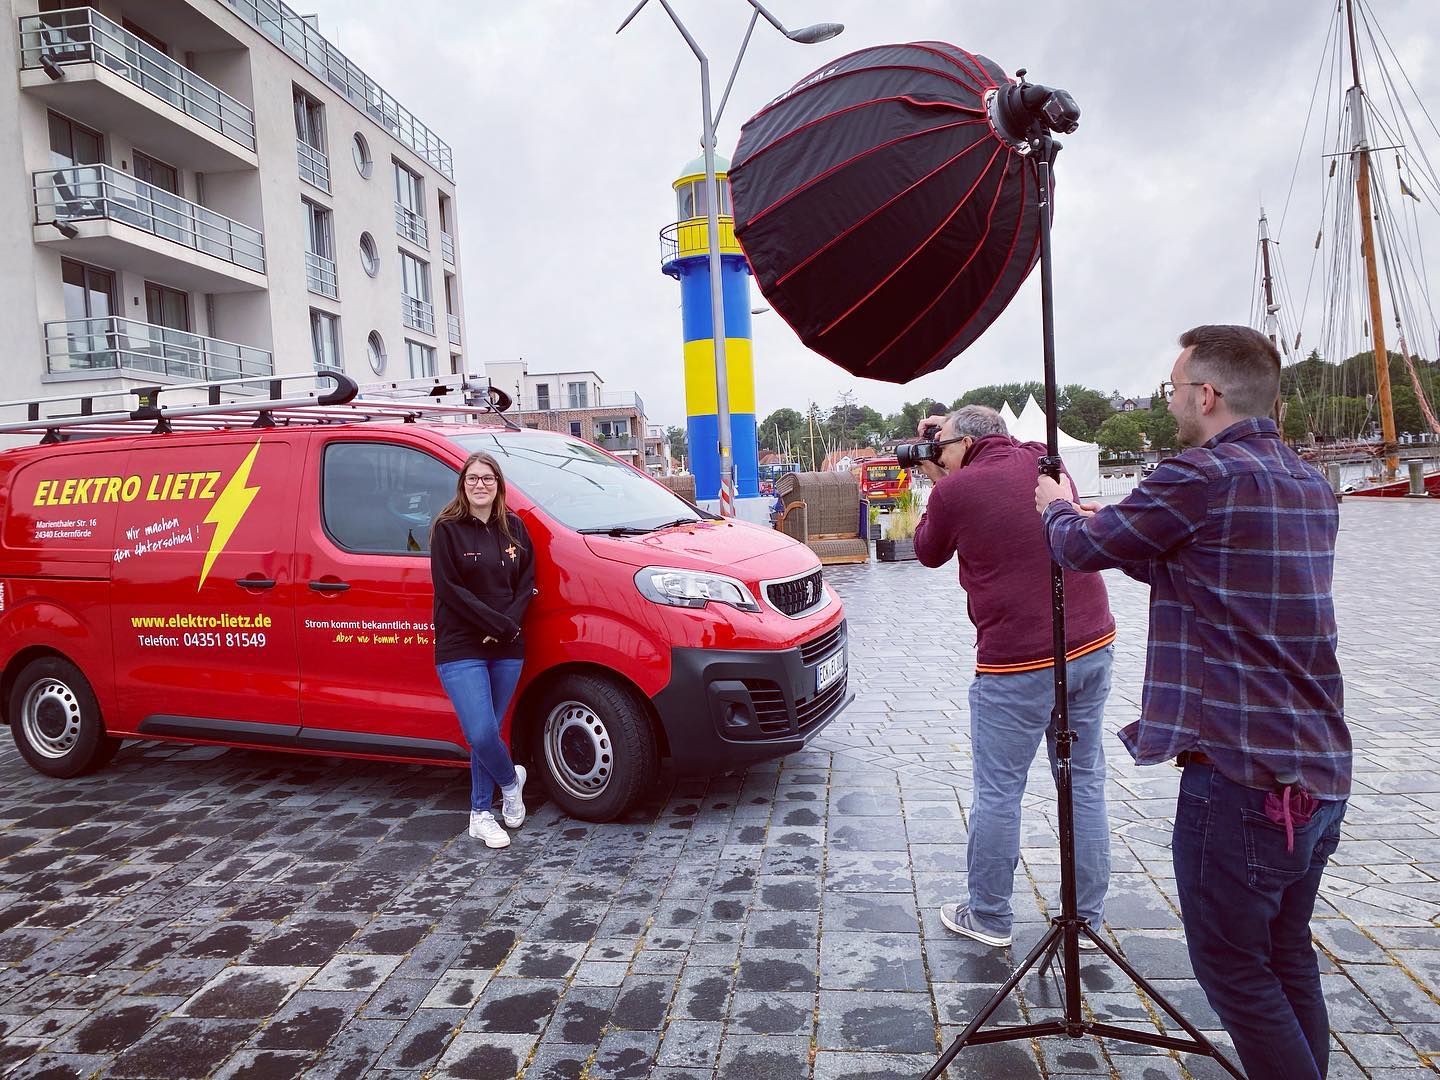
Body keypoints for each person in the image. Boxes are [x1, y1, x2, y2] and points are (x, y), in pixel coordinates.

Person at [1035, 325, 1350, 1080]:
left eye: (1174, 391)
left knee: (1236, 973)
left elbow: (1080, 549)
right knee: (1284, 954)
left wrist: (1056, 505)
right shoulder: (1310, 483)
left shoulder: (1197, 476)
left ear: (1205, 396)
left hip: (1240, 777)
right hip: (1318, 767)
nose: (1173, 403)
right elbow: (1203, 568)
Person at [912, 405, 1116, 950]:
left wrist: (939, 480)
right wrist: (950, 442)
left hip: (1017, 661)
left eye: (942, 444)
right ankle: (1088, 919)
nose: (936, 452)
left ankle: (989, 916)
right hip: (1091, 642)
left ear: (962, 445)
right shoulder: (1048, 464)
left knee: (999, 791)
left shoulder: (954, 490)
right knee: (1084, 782)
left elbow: (927, 552)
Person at [431, 451, 537, 849]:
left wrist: (506, 626)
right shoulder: (447, 529)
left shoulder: (515, 527)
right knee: (479, 731)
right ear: (462, 484)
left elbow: (526, 583)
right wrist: (493, 624)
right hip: (461, 643)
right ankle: (511, 783)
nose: (480, 485)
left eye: (487, 478)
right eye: (472, 478)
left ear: (498, 484)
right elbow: (449, 589)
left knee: (489, 731)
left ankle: (479, 814)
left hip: (507, 644)